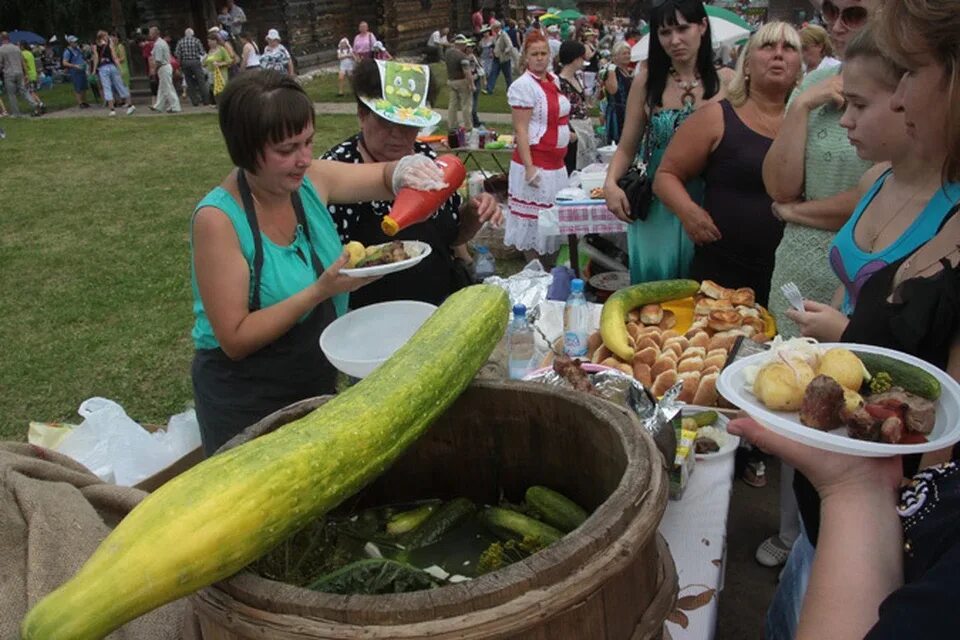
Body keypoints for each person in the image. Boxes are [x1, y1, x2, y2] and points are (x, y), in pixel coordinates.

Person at [191, 70, 449, 454]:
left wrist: (403, 172)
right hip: (244, 399)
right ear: (246, 148)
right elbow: (235, 339)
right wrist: (320, 290)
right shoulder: (218, 220)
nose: (304, 159)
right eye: (286, 150)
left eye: (309, 142)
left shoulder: (311, 180)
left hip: (312, 381)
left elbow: (380, 174)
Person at [320, 59, 501, 308]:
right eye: (386, 122)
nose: (398, 134)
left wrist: (472, 213)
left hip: (435, 308)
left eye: (408, 124)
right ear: (362, 115)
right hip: (367, 321)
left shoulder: (425, 157)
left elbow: (452, 235)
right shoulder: (336, 169)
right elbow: (325, 269)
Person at [654, 23, 803, 307]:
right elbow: (666, 175)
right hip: (724, 271)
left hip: (791, 274)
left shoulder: (813, 123)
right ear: (746, 63)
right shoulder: (716, 116)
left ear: (800, 70)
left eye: (789, 48)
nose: (778, 55)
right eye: (768, 46)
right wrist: (689, 213)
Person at [763, 0, 877, 340]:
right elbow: (778, 187)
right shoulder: (817, 81)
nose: (838, 25)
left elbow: (879, 198)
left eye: (853, 14)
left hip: (859, 269)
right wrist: (801, 104)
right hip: (795, 268)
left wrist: (794, 212)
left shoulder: (901, 89)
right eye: (830, 11)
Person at [604, 0, 730, 285]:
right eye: (664, 32)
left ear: (702, 26)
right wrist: (610, 184)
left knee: (706, 294)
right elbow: (627, 146)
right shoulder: (647, 83)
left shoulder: (728, 83)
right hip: (656, 206)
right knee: (654, 295)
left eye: (683, 28)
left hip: (710, 202)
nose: (674, 40)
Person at [505, 31, 571, 257]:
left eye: (544, 53)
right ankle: (535, 269)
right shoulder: (522, 86)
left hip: (557, 164)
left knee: (552, 219)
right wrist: (530, 167)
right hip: (536, 164)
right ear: (526, 58)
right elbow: (521, 130)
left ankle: (552, 267)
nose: (540, 58)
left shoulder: (554, 80)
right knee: (535, 223)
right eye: (535, 54)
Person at [557, 40, 596, 172]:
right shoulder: (559, 82)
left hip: (584, 126)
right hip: (572, 128)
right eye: (581, 57)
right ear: (574, 58)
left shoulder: (577, 77)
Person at [92, 30, 134, 116]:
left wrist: (94, 70)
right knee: (120, 85)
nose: (108, 37)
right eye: (107, 36)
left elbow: (96, 59)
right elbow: (114, 57)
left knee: (107, 87)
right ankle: (130, 105)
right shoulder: (110, 45)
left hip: (103, 68)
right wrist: (120, 68)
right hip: (112, 66)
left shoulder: (95, 46)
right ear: (103, 37)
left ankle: (112, 109)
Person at [0, 32, 41, 117]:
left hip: (9, 73)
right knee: (24, 91)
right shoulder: (17, 48)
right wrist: (26, 74)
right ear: (9, 38)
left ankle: (16, 113)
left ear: (2, 39)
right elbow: (23, 62)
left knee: (12, 94)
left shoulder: (1, 49)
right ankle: (35, 104)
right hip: (20, 72)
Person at [600, 42, 633, 144]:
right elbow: (613, 90)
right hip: (617, 112)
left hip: (628, 110)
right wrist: (611, 69)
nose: (627, 55)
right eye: (624, 53)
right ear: (616, 56)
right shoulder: (612, 71)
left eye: (629, 53)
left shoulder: (627, 71)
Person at [444, 35, 474, 134]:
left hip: (451, 81)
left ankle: (452, 125)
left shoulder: (448, 53)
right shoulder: (462, 56)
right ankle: (468, 126)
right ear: (461, 45)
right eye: (465, 44)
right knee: (466, 104)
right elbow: (467, 72)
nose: (466, 46)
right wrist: (471, 84)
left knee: (452, 105)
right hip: (461, 81)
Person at [148, 26, 181, 113]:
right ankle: (159, 106)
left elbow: (158, 60)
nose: (149, 35)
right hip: (165, 66)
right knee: (162, 88)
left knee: (168, 88)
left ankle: (175, 106)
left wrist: (154, 70)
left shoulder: (158, 44)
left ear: (155, 34)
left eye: (151, 33)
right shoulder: (162, 42)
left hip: (163, 67)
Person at [176, 28, 211, 106]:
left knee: (189, 82)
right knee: (201, 81)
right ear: (193, 34)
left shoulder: (181, 42)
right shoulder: (196, 41)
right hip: (195, 62)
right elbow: (202, 52)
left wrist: (180, 63)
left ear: (185, 34)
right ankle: (206, 101)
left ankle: (194, 101)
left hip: (185, 62)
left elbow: (177, 54)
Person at [61, 36, 90, 109]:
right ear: (70, 43)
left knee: (84, 86)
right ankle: (80, 102)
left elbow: (83, 57)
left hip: (82, 69)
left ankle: (84, 101)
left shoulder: (78, 49)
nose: (76, 43)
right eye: (74, 42)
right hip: (75, 71)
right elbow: (64, 63)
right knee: (78, 87)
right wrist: (74, 66)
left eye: (76, 42)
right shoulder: (67, 51)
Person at [204, 31, 233, 99]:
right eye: (208, 42)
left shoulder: (221, 49)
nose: (209, 43)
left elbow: (229, 61)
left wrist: (220, 64)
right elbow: (206, 62)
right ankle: (218, 104)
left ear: (215, 41)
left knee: (222, 89)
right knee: (213, 89)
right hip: (211, 73)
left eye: (211, 41)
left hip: (221, 74)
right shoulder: (210, 51)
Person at [487, 21, 514, 94]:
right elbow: (495, 45)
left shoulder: (504, 35)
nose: (492, 30)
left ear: (497, 28)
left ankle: (510, 89)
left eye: (493, 28)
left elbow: (510, 45)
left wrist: (505, 51)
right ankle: (489, 89)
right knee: (493, 73)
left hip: (504, 58)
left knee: (507, 75)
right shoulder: (495, 36)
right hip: (496, 58)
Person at [19, 41, 45, 114]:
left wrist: (25, 75)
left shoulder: (22, 54)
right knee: (33, 91)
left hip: (28, 74)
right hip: (33, 73)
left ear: (22, 46)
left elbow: (24, 65)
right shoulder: (30, 53)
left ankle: (39, 105)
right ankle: (40, 105)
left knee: (31, 92)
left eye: (19, 45)